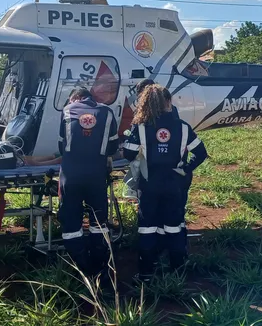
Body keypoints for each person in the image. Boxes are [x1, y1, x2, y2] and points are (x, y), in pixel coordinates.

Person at [122, 84, 208, 282]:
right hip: (174, 184)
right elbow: (201, 153)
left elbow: (128, 153)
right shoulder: (183, 127)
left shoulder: (141, 127)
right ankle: (177, 272)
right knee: (174, 227)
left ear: (146, 103)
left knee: (147, 228)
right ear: (168, 102)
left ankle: (145, 274)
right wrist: (185, 169)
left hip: (149, 183)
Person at [57, 87, 119, 282]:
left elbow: (61, 145)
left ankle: (81, 267)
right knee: (98, 222)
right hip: (96, 175)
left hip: (71, 175)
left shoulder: (67, 110)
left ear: (75, 98)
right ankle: (101, 267)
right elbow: (113, 147)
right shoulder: (107, 112)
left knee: (71, 222)